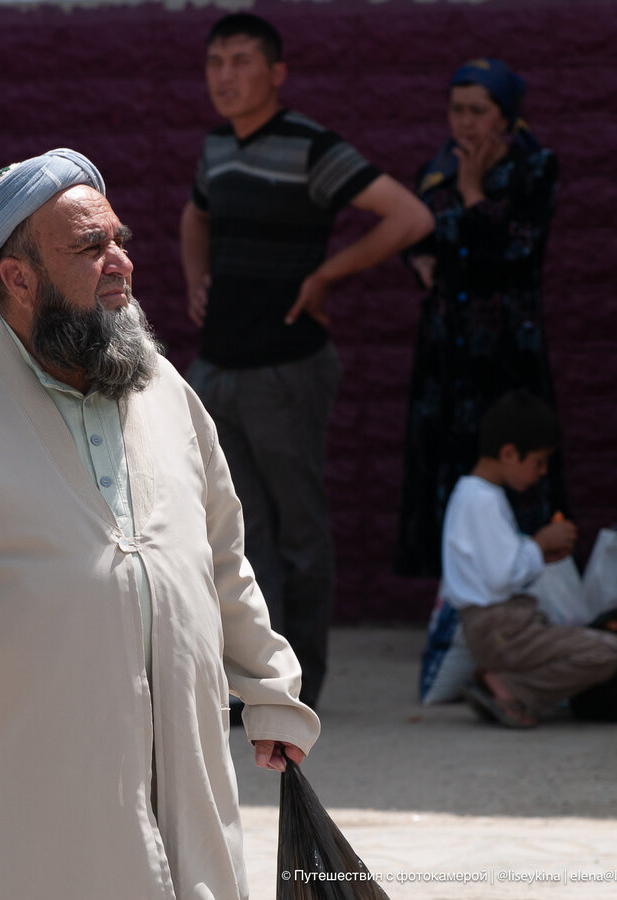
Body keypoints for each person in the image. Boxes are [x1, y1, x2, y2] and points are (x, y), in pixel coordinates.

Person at [0, 148, 320, 899]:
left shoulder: (168, 392)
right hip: (27, 798)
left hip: (184, 772)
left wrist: (269, 688)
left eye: (118, 240)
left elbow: (220, 556)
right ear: (18, 278)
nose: (119, 262)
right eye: (90, 248)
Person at [179, 13, 434, 707]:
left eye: (241, 61)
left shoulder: (312, 146)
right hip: (216, 369)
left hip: (286, 370)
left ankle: (300, 690)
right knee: (237, 537)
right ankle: (257, 684)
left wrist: (327, 277)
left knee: (299, 538)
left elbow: (410, 218)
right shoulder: (215, 147)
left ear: (276, 73)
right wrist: (196, 275)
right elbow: (194, 215)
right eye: (215, 63)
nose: (226, 76)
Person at [396, 58, 566, 579]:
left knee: (508, 455)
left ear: (505, 114)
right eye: (456, 109)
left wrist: (472, 191)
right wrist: (419, 258)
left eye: (478, 110)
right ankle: (460, 588)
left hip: (506, 349)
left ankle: (520, 582)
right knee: (448, 461)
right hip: (448, 348)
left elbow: (514, 251)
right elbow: (421, 232)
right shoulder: (439, 167)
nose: (465, 122)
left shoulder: (534, 168)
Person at [442, 390, 617, 728]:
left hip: (498, 626)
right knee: (608, 651)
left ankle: (502, 683)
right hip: (499, 627)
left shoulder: (474, 495)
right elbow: (500, 578)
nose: (541, 473)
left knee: (590, 642)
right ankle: (510, 688)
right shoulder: (481, 500)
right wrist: (539, 546)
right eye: (539, 462)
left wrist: (541, 554)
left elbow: (498, 565)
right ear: (510, 453)